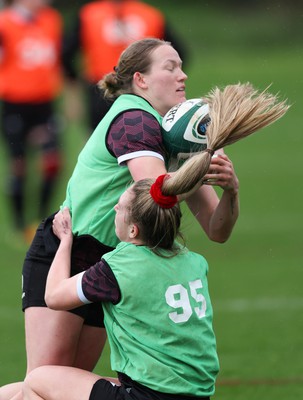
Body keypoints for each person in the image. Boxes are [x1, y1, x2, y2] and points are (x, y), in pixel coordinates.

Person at [0, 38, 240, 400]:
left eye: (181, 66)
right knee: (42, 383)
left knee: (64, 385)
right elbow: (156, 192)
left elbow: (217, 230)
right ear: (141, 80)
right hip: (68, 249)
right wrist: (203, 159)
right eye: (170, 67)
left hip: (114, 263)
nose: (183, 74)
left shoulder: (173, 137)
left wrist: (230, 190)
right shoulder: (134, 121)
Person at [22, 171, 222, 400]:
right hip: (190, 394)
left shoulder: (119, 266)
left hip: (145, 396)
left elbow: (54, 297)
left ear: (133, 230)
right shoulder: (194, 262)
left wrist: (65, 240)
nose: (115, 209)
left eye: (120, 207)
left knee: (36, 381)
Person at [62, 0, 188, 131]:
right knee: (147, 134)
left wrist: (74, 84)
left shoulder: (89, 14)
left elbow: (66, 54)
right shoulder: (150, 14)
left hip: (102, 90)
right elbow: (178, 53)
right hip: (142, 90)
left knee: (101, 137)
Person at [0, 0, 63, 237]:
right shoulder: (5, 23)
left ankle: (42, 217)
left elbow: (56, 60)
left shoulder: (51, 19)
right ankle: (18, 222)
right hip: (15, 105)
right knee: (19, 166)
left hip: (44, 105)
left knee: (52, 161)